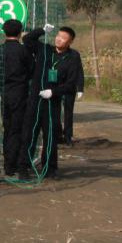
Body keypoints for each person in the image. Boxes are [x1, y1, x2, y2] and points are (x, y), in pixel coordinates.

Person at [22, 25, 80, 179]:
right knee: (30, 133)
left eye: (64, 38)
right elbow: (27, 39)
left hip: (52, 102)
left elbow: (70, 83)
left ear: (70, 42)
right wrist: (41, 30)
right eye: (58, 36)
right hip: (35, 99)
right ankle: (24, 166)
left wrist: (54, 92)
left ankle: (49, 168)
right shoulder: (45, 50)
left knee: (50, 136)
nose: (59, 39)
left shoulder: (72, 57)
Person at [0, 19, 34, 177]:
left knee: (8, 129)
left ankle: (8, 166)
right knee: (20, 130)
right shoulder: (22, 50)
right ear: (20, 33)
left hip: (5, 93)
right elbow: (32, 70)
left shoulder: (0, 50)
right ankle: (20, 166)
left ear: (4, 32)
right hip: (21, 93)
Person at [58, 47, 85, 145]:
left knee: (68, 112)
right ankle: (58, 135)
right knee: (55, 112)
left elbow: (79, 71)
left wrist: (80, 88)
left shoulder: (74, 54)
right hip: (55, 87)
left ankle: (68, 136)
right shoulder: (52, 53)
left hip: (70, 87)